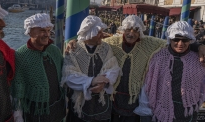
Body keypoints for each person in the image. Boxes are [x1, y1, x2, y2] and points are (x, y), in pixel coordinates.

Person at [66, 15, 205, 122]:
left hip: (134, 101)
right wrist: (74, 42)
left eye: (136, 30)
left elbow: (172, 42)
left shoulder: (148, 43)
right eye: (128, 29)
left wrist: (197, 46)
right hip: (113, 99)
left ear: (141, 32)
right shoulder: (112, 43)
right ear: (122, 30)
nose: (131, 33)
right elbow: (91, 40)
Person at [62, 15, 120, 122]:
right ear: (89, 34)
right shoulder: (74, 50)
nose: (102, 35)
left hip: (101, 105)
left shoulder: (106, 48)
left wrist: (104, 83)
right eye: (99, 32)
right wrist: (91, 81)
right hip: (79, 106)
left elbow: (114, 68)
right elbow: (68, 76)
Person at [145, 21, 205, 122]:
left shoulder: (198, 59)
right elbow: (150, 83)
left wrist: (199, 46)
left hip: (188, 110)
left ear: (190, 40)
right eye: (176, 39)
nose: (180, 43)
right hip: (162, 106)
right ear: (170, 39)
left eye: (185, 39)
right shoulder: (159, 57)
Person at [11, 13, 66, 122]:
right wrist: (18, 118)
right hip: (35, 115)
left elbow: (66, 72)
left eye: (48, 30)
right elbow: (17, 94)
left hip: (58, 109)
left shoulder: (54, 51)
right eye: (42, 30)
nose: (47, 34)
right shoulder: (21, 56)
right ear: (30, 32)